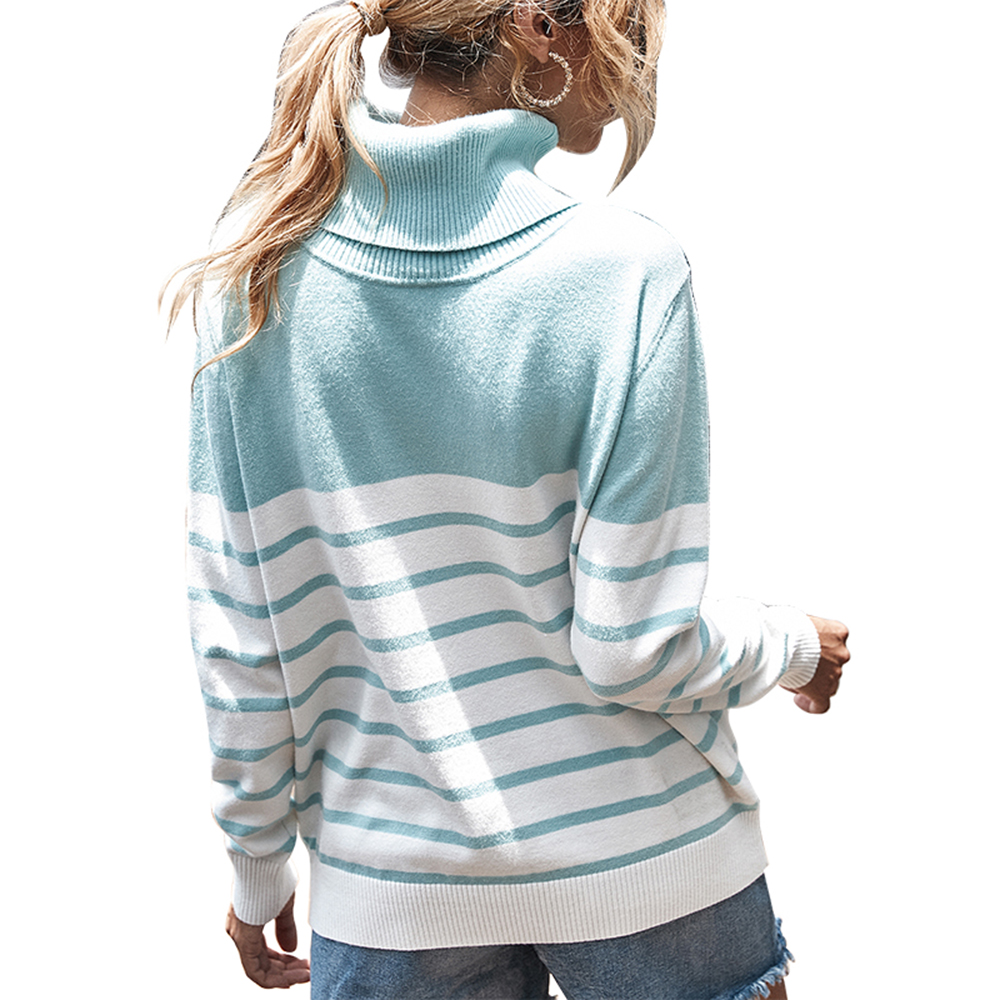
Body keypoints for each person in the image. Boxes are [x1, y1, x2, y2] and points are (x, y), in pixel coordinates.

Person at [171, 1, 850, 996]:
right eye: (632, 25)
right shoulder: (625, 275)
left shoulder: (253, 280)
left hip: (391, 886)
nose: (641, 66)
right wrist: (790, 644)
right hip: (650, 863)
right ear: (543, 24)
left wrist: (256, 861)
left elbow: (240, 641)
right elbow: (632, 645)